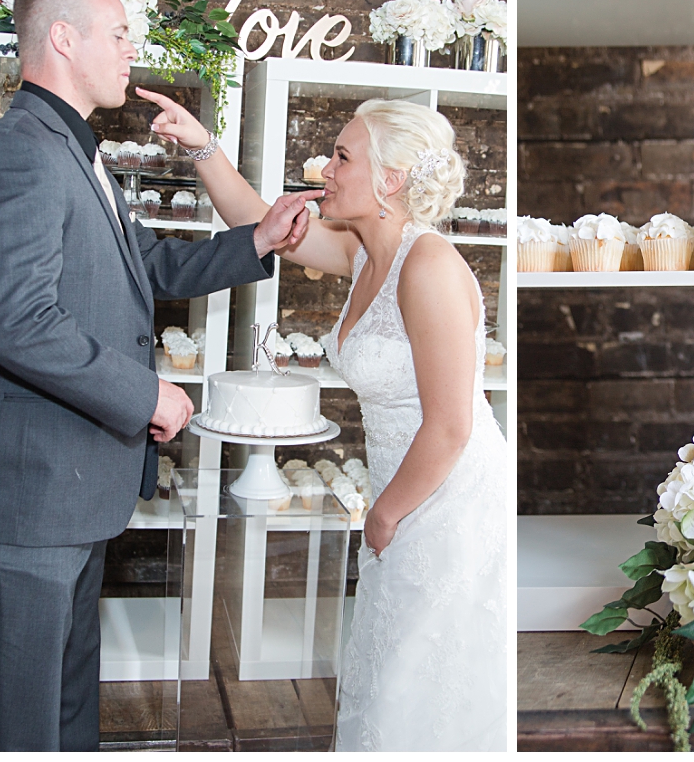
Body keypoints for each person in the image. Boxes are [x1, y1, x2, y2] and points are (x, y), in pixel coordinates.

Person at [0, 0, 315, 752]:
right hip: (21, 503)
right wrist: (146, 393)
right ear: (63, 37)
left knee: (66, 716)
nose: (130, 48)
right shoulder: (18, 153)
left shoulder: (75, 149)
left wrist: (258, 239)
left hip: (62, 502)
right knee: (15, 727)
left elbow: (147, 264)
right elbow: (19, 323)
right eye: (117, 32)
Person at [140, 88, 507, 750]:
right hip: (407, 484)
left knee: (427, 675)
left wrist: (385, 512)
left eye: (341, 156)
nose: (324, 169)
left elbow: (451, 424)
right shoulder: (365, 251)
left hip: (448, 497)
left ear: (390, 179)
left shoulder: (428, 265)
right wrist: (201, 146)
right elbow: (261, 221)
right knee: (390, 667)